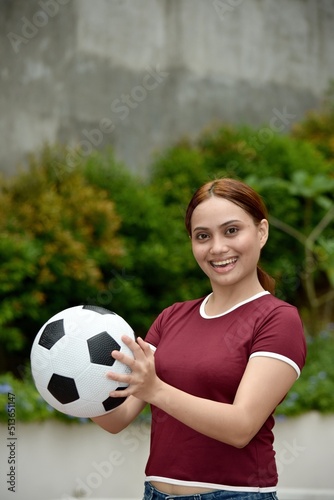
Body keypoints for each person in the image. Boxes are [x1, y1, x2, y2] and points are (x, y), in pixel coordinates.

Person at [92, 178, 307, 500]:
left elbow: (241, 427)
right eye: (203, 236)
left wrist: (157, 390)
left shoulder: (277, 319)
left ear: (261, 232)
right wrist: (71, 384)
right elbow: (118, 418)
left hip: (237, 495)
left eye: (232, 230)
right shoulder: (171, 317)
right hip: (155, 493)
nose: (217, 247)